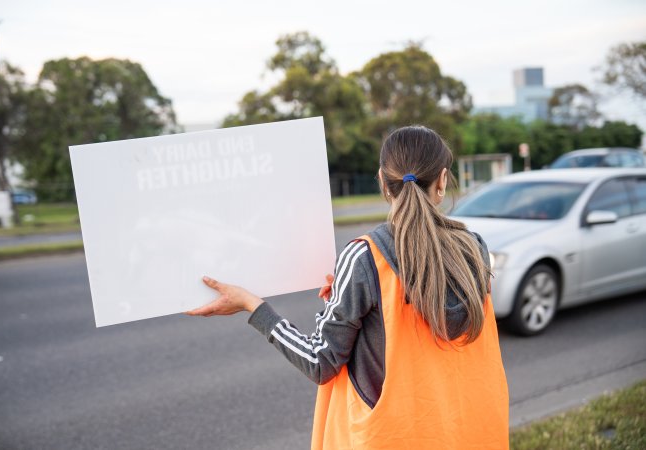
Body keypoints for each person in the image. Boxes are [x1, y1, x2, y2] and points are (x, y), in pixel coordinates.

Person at [186, 125, 509, 449]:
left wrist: (252, 305)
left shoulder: (365, 256)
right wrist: (353, 292)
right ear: (442, 181)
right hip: (465, 433)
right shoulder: (473, 247)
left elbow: (319, 361)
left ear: (383, 181)